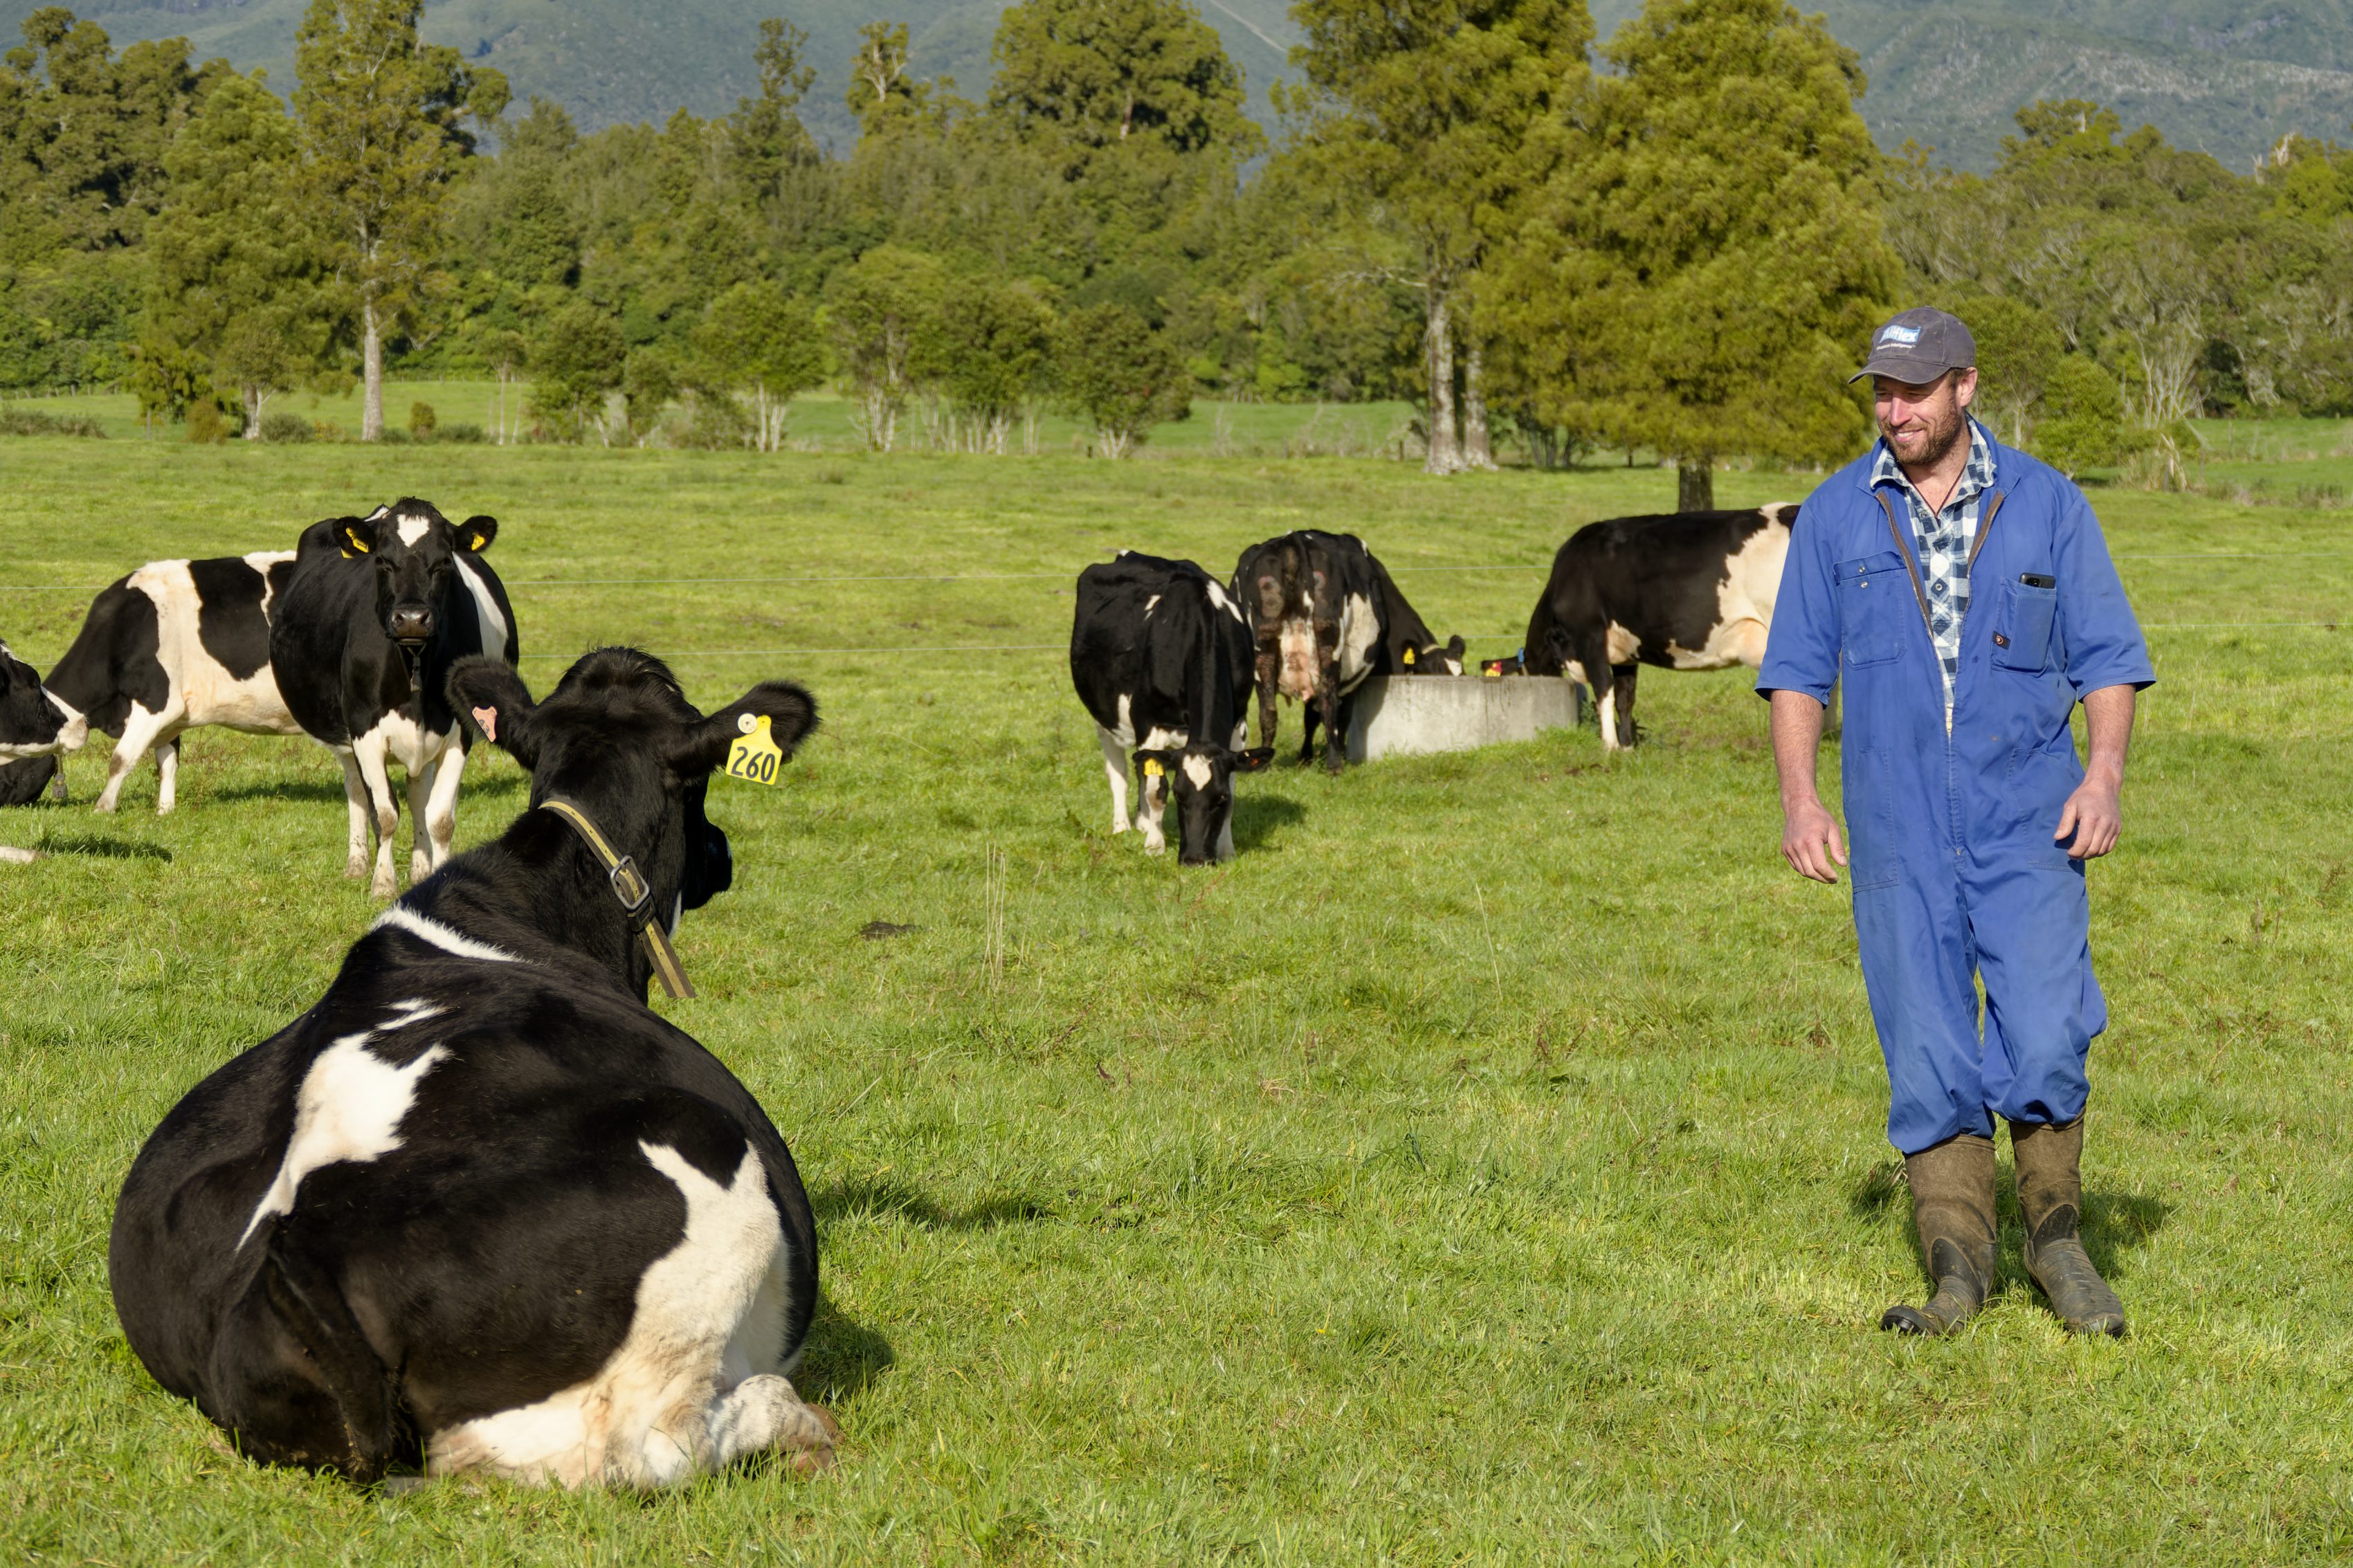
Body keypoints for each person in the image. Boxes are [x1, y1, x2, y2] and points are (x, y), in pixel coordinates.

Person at [1757, 307, 2154, 1338]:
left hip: (2029, 817)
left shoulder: (2049, 504)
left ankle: (2059, 1241)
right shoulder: (1839, 514)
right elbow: (1798, 669)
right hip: (1894, 828)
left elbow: (2109, 657)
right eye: (1883, 392)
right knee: (1927, 1044)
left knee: (2046, 1026)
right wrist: (1801, 797)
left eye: (1915, 391)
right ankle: (1956, 1267)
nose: (1895, 411)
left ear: (1965, 388)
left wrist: (2103, 776)